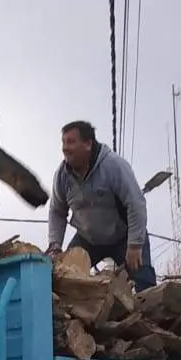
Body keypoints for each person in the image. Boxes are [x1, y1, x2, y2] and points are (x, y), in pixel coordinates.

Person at [46, 121, 155, 292]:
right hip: (87, 239)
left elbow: (136, 204)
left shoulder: (113, 166)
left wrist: (135, 244)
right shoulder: (62, 176)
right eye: (63, 142)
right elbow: (57, 211)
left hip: (124, 236)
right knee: (62, 276)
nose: (65, 148)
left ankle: (154, 317)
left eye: (71, 142)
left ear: (88, 144)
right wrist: (55, 245)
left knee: (144, 282)